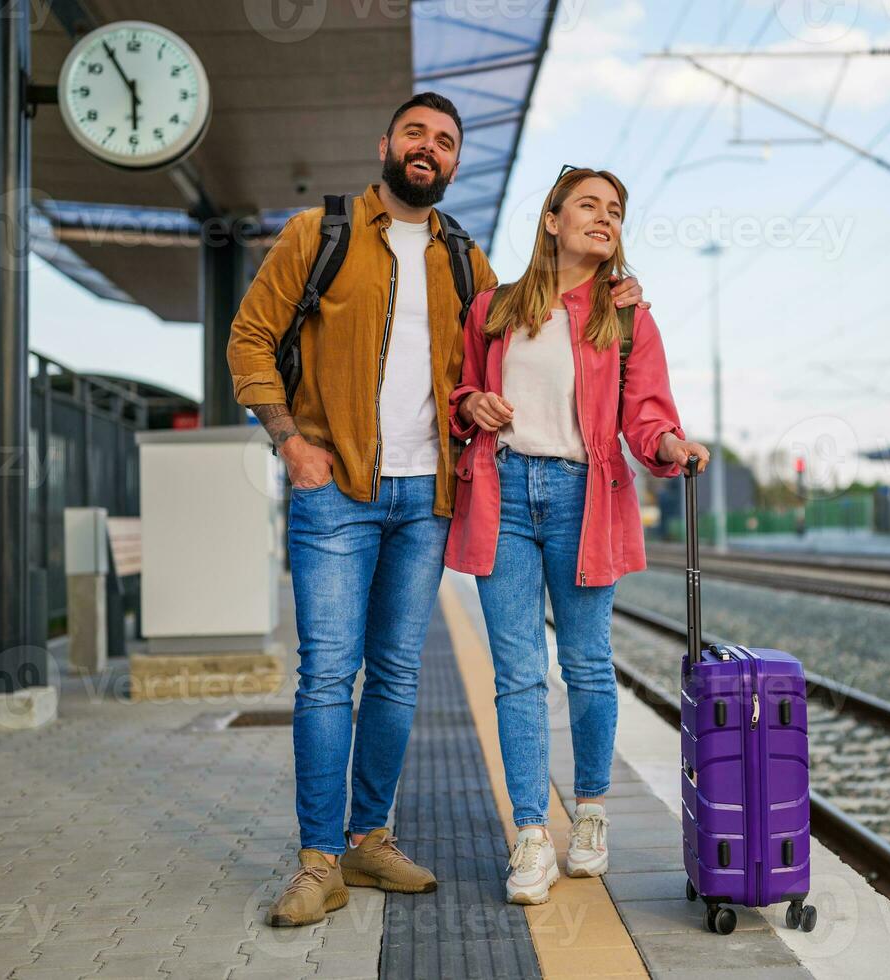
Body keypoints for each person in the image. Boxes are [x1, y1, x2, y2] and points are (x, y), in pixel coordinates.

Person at [226, 96, 647, 928]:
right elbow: (249, 338)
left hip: (430, 499)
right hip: (336, 490)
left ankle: (369, 838)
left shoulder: (466, 260)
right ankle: (317, 861)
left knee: (396, 676)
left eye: (446, 142)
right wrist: (289, 441)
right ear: (386, 145)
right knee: (325, 676)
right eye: (416, 134)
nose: (429, 149)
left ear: (455, 165)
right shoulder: (322, 235)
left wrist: (610, 290)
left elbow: (520, 337)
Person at [445, 167, 710, 905]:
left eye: (616, 210)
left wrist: (670, 446)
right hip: (501, 492)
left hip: (582, 499)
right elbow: (461, 387)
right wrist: (477, 404)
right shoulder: (493, 309)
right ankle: (530, 835)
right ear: (553, 221)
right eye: (589, 205)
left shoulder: (624, 317)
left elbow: (646, 413)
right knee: (518, 673)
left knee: (588, 663)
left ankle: (589, 815)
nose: (605, 217)